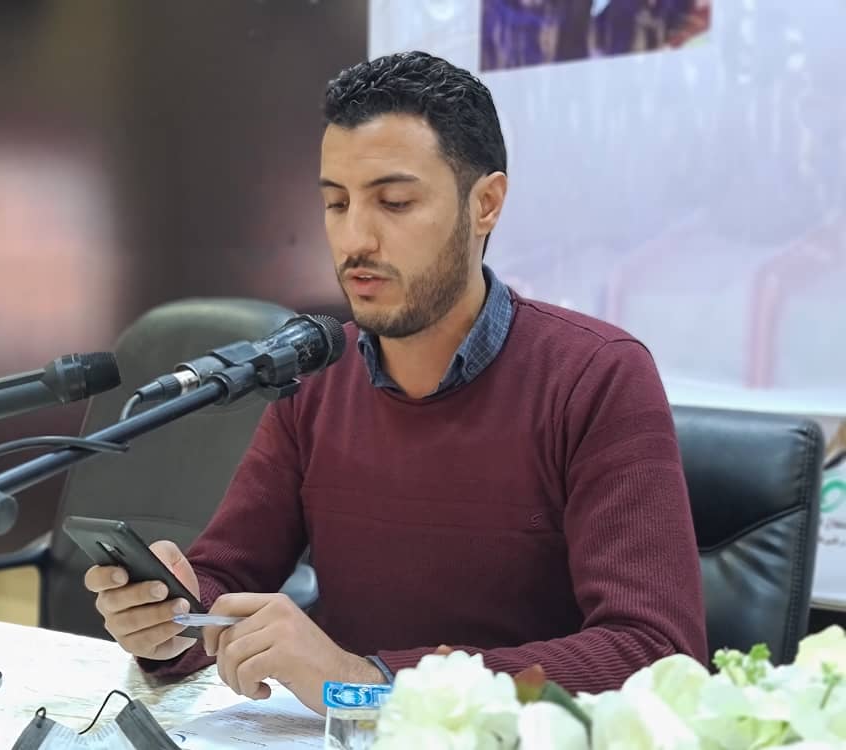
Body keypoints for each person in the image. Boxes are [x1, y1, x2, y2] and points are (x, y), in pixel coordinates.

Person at [84, 50, 707, 715]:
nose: (355, 238)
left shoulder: (597, 376)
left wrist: (368, 680)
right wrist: (168, 619)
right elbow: (224, 576)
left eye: (395, 202)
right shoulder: (316, 374)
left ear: (485, 204)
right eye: (336, 203)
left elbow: (657, 653)